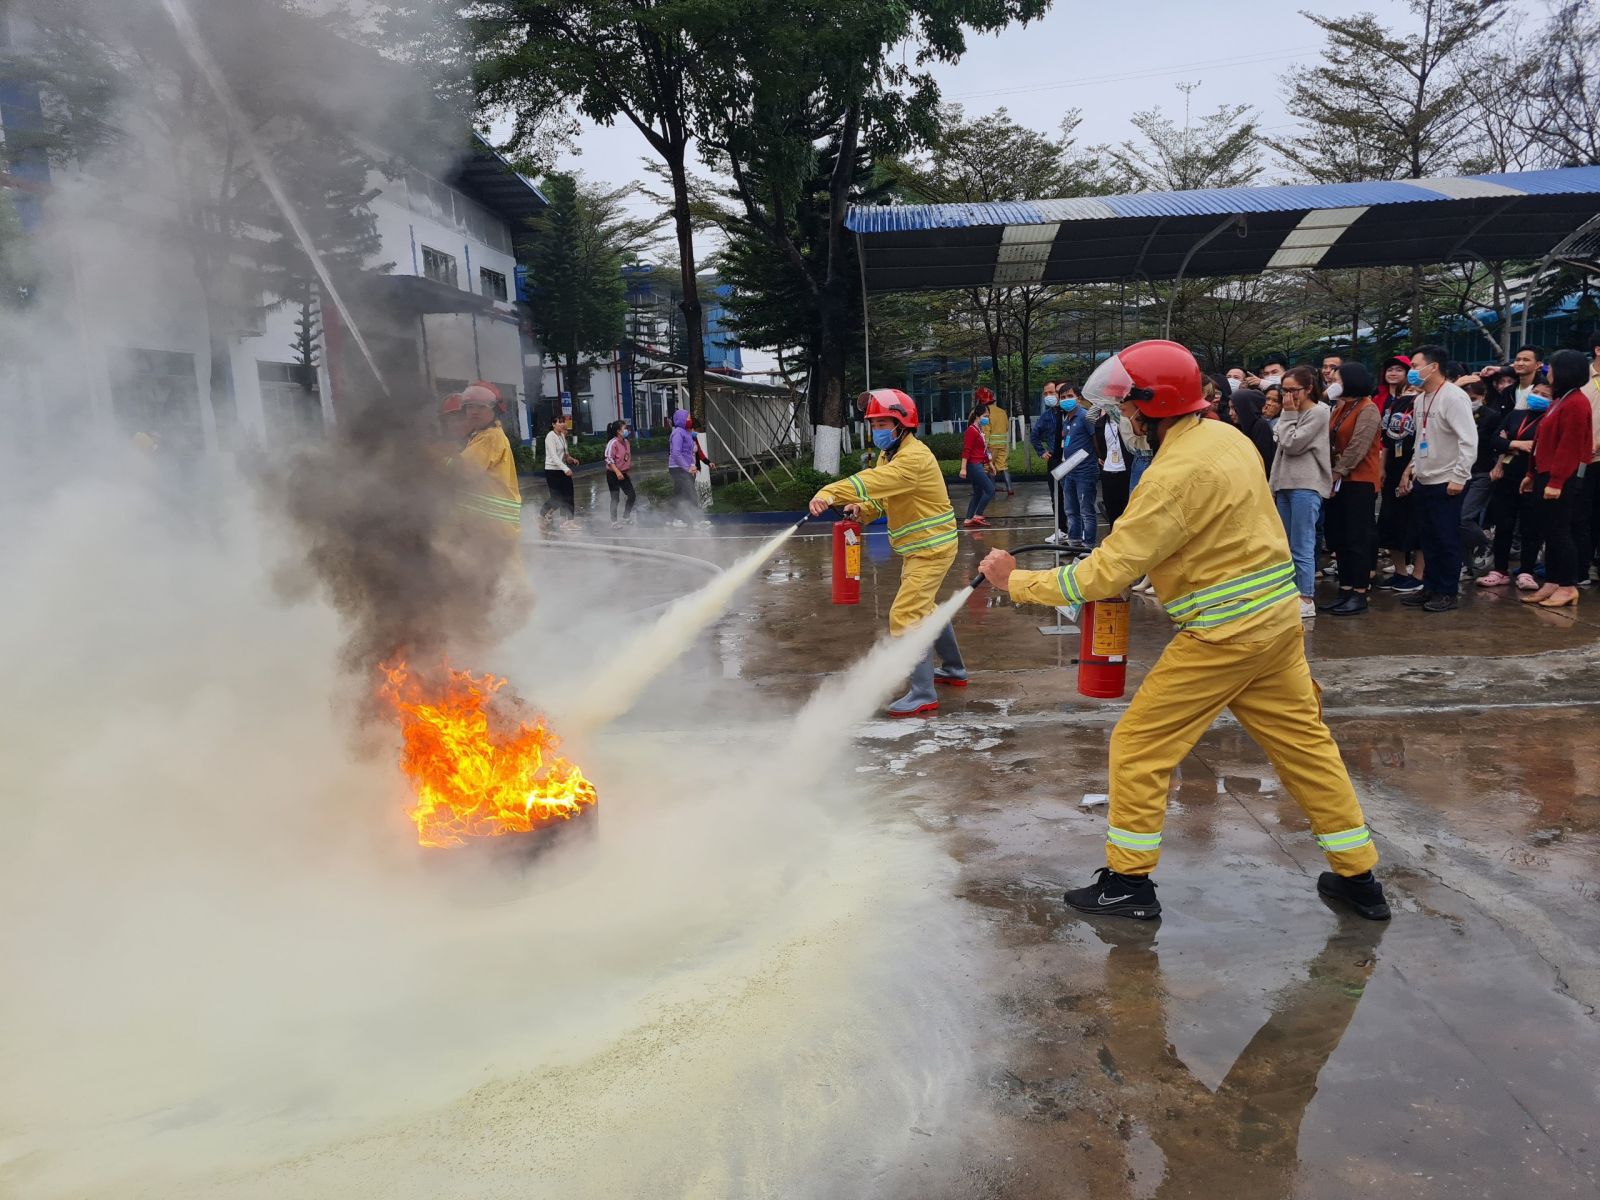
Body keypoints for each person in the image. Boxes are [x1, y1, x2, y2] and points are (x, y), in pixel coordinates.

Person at [977, 339, 1388, 922]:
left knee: (1139, 746)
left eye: (1127, 406)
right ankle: (1359, 878)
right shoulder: (1229, 439)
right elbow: (1209, 534)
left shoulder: (1172, 473)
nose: (1123, 417)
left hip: (1224, 635)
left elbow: (1106, 573)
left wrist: (1015, 581)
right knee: (1305, 748)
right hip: (1275, 624)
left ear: (1153, 405)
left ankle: (1128, 883)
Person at [809, 389, 966, 716]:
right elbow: (882, 497)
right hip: (922, 547)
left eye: (883, 422)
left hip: (932, 548)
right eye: (873, 422)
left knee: (907, 615)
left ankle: (923, 692)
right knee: (926, 609)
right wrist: (861, 510)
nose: (877, 429)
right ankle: (953, 669)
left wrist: (831, 492)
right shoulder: (890, 455)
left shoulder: (914, 459)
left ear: (903, 424)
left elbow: (875, 482)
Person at [1396, 345, 1477, 613]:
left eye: (1416, 365)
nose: (1412, 371)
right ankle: (1429, 586)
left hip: (1447, 480)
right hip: (1425, 479)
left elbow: (1468, 440)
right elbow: (1422, 438)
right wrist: (1412, 469)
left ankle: (1447, 591)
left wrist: (1459, 476)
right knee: (1428, 537)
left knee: (1446, 538)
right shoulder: (1420, 399)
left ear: (1433, 367)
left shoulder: (1454, 397)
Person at [1520, 350, 1594, 608]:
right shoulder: (1559, 400)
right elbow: (1543, 441)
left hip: (1561, 476)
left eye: (1551, 368)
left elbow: (1569, 446)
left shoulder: (1577, 402)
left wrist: (1557, 481)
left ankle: (1567, 585)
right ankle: (1552, 581)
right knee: (1549, 531)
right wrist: (1531, 473)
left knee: (1561, 532)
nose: (1547, 372)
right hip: (1544, 472)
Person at [1269, 366, 1332, 620]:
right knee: (1284, 544)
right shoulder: (1291, 413)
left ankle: (1305, 597)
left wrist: (1288, 415)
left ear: (1308, 389)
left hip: (1307, 484)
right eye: (1284, 390)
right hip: (1284, 482)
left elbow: (1292, 443)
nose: (1288, 396)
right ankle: (1287, 593)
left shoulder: (1319, 412)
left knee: (1302, 543)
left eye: (1293, 390)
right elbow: (1282, 439)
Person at [1321, 363, 1384, 615]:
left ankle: (1359, 592)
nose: (1332, 384)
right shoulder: (1342, 407)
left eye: (1337, 380)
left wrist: (1338, 472)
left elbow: (1358, 447)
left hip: (1359, 480)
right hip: (1338, 480)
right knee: (1340, 537)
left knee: (1357, 538)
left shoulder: (1368, 409)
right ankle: (1345, 588)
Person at [1478, 383, 1547, 590]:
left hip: (1535, 479)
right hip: (1507, 477)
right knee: (1504, 525)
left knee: (1530, 527)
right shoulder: (1515, 415)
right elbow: (1494, 441)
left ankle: (1526, 571)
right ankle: (1499, 570)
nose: (1538, 397)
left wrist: (1510, 441)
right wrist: (1516, 444)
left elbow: (1542, 446)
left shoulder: (1550, 418)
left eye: (1545, 395)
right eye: (1535, 392)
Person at [1375, 356, 1423, 592]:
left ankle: (1418, 576)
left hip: (1414, 469)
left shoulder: (1425, 407)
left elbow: (1424, 442)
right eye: (1409, 390)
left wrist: (1409, 471)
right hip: (1392, 468)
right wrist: (1382, 468)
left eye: (1416, 389)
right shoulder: (1393, 405)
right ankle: (1400, 571)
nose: (1411, 393)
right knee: (1391, 520)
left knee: (1415, 523)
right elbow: (1384, 440)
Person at [453, 384, 525, 542]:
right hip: (495, 524)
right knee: (505, 566)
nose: (474, 412)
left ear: (495, 410)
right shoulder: (484, 435)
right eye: (470, 407)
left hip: (492, 525)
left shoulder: (489, 437)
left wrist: (433, 460)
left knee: (497, 566)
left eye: (481, 407)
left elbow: (462, 469)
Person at [1459, 375, 1508, 574]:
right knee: (1457, 519)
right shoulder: (1456, 414)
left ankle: (1486, 543)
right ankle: (1467, 566)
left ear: (1483, 396)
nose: (1470, 403)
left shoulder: (1493, 416)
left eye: (1473, 399)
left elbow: (1501, 443)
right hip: (1460, 472)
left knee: (1463, 518)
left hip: (1483, 472)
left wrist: (1498, 466)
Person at [1058, 387, 1100, 550]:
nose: (1066, 399)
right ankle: (1074, 542)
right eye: (1063, 397)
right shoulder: (1067, 419)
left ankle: (1088, 544)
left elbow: (1095, 438)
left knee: (1086, 509)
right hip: (1070, 470)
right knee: (1070, 508)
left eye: (1070, 396)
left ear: (1078, 398)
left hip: (1085, 470)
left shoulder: (1084, 416)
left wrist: (1098, 457)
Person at [1029, 382, 1071, 543]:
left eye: (1051, 392)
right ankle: (1061, 529)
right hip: (1054, 459)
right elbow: (1034, 435)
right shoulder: (1046, 416)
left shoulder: (1069, 413)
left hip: (1070, 458)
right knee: (1056, 495)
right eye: (1045, 393)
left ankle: (1075, 529)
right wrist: (1042, 452)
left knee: (1072, 494)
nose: (1049, 396)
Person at [538, 409, 578, 526]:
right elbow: (554, 456)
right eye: (559, 422)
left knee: (569, 494)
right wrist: (566, 469)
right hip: (552, 471)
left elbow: (564, 453)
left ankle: (570, 521)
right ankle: (542, 514)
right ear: (553, 424)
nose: (562, 424)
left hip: (562, 469)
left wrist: (571, 459)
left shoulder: (562, 436)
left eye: (563, 421)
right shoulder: (550, 437)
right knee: (556, 498)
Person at [1094, 403, 1131, 530]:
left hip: (1126, 470)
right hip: (1108, 469)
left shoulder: (1127, 421)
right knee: (1111, 508)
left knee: (1127, 508)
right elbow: (1089, 416)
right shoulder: (1100, 423)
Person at [960, 406, 996, 528]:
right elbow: (966, 451)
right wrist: (963, 468)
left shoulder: (979, 430)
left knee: (978, 493)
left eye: (988, 416)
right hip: (974, 466)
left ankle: (968, 519)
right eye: (985, 416)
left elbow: (984, 450)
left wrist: (990, 464)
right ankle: (978, 515)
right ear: (977, 417)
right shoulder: (971, 431)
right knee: (990, 490)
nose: (987, 419)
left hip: (978, 464)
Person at [666, 409, 702, 528]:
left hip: (684, 467)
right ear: (681, 419)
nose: (690, 420)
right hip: (677, 467)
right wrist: (687, 467)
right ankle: (692, 519)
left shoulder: (686, 432)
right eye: (688, 418)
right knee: (689, 492)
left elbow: (688, 452)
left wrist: (692, 466)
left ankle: (674, 519)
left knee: (680, 493)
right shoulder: (678, 433)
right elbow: (676, 453)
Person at [978, 386, 1013, 497]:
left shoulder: (985, 413)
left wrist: (985, 445)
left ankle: (991, 490)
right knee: (1003, 466)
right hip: (1002, 443)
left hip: (990, 445)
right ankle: (1010, 489)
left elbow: (986, 430)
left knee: (988, 466)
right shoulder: (1002, 412)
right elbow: (1007, 427)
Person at [1229, 387, 1276, 469]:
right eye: (1229, 408)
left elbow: (1263, 461)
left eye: (1234, 408)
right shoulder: (1240, 426)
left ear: (1244, 408)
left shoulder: (1260, 426)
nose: (1230, 413)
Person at [603, 419, 636, 527]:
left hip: (623, 473)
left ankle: (626, 517)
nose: (627, 430)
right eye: (624, 428)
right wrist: (617, 472)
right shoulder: (612, 443)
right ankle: (614, 522)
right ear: (618, 431)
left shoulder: (626, 442)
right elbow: (608, 459)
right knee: (615, 498)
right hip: (613, 474)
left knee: (632, 495)